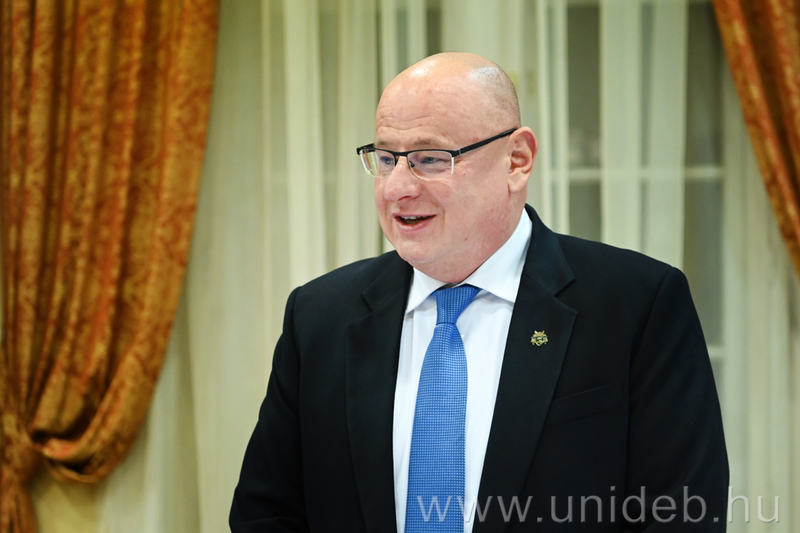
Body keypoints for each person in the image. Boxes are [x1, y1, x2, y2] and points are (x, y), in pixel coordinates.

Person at [229, 52, 728, 532]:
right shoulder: (319, 316)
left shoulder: (637, 304)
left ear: (517, 160)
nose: (396, 188)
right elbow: (266, 513)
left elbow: (683, 512)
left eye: (429, 159)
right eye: (385, 159)